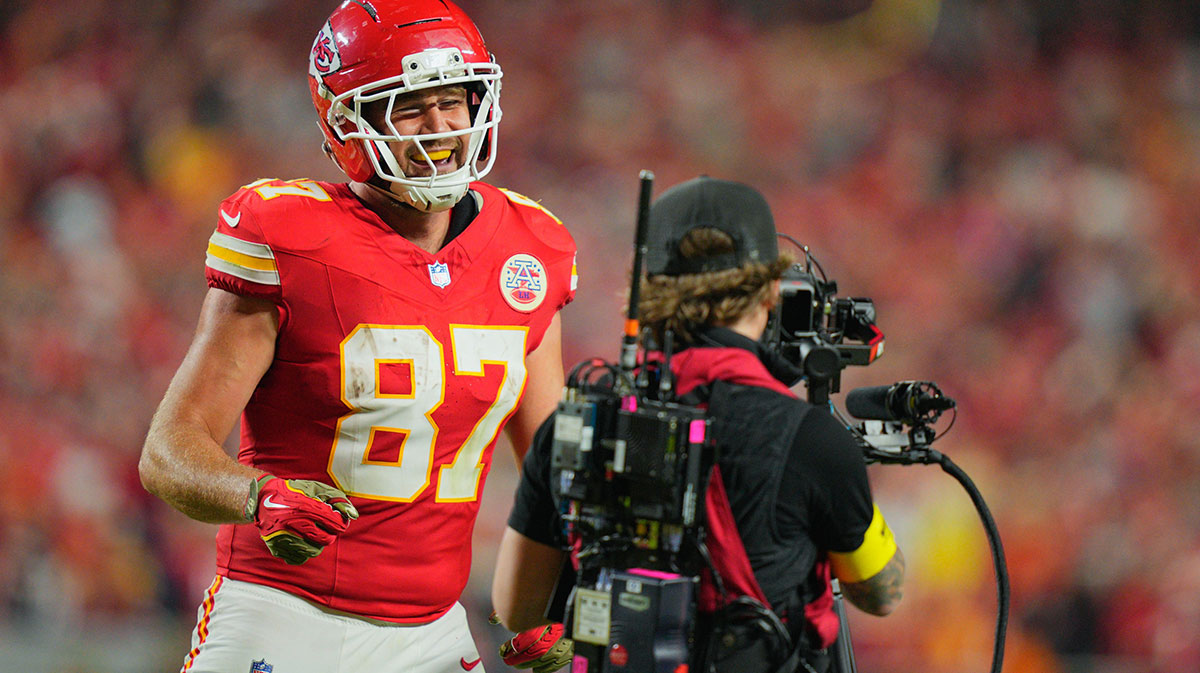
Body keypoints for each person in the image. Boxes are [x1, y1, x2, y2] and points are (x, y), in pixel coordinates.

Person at [138, 2, 576, 672]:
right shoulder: (290, 236)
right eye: (410, 107)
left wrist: (558, 599)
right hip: (284, 609)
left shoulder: (531, 247)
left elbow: (554, 468)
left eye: (452, 100)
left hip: (434, 628)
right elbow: (168, 452)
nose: (441, 128)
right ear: (349, 121)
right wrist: (259, 496)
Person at [491, 176, 903, 673]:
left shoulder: (576, 425)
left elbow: (516, 608)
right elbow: (881, 593)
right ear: (771, 291)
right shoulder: (812, 439)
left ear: (649, 294)